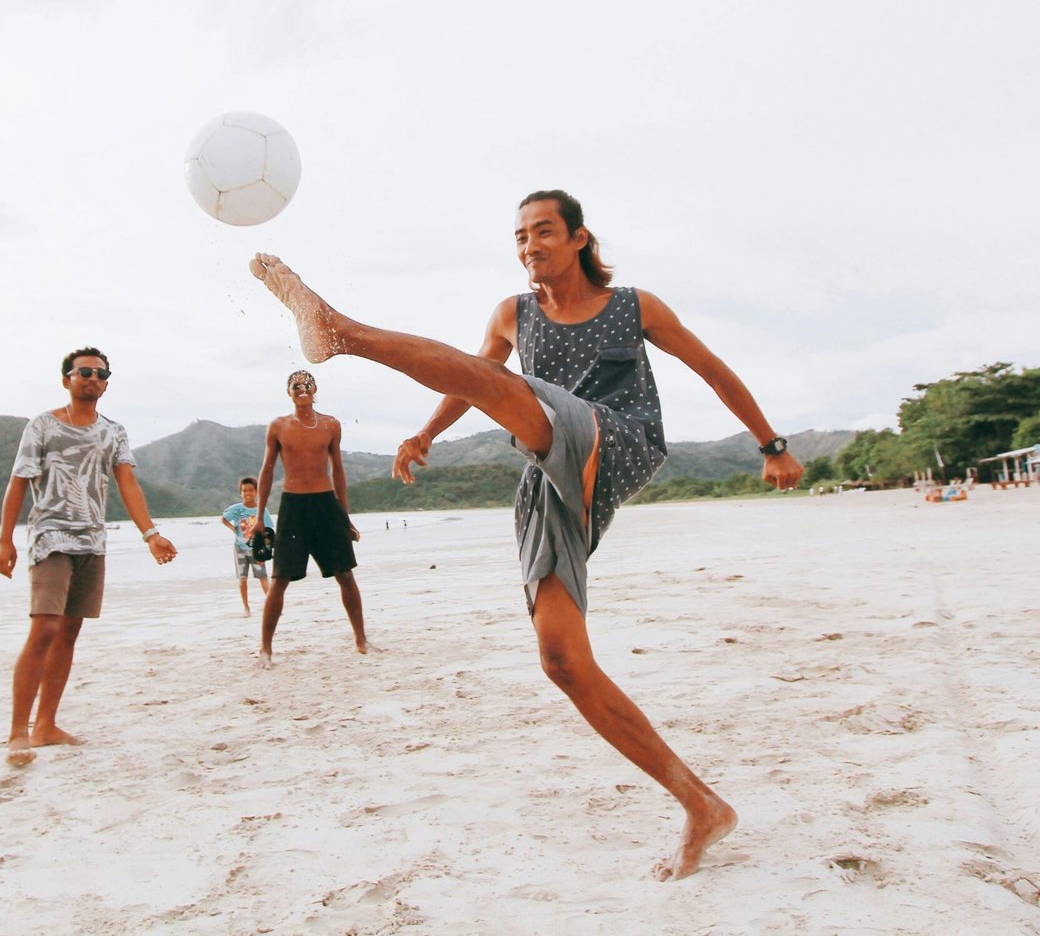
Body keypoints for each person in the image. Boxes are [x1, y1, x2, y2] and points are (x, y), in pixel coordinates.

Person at [248, 189, 804, 882]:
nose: (529, 245)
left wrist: (771, 443)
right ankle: (700, 804)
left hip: (617, 437)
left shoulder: (637, 306)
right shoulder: (515, 314)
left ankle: (340, 331)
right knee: (562, 660)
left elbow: (712, 370)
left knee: (526, 401)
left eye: (543, 231)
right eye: (519, 236)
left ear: (579, 238)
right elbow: (476, 380)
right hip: (549, 471)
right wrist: (425, 432)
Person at [0, 347, 178, 767]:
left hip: (92, 542)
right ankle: (17, 732)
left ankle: (46, 726)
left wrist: (150, 534)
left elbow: (127, 484)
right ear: (67, 379)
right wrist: (5, 540)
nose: (93, 378)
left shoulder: (113, 431)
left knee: (69, 633)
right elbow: (19, 482)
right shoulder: (42, 425)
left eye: (101, 373)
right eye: (84, 372)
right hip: (51, 538)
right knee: (44, 628)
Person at [253, 370, 372, 668]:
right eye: (295, 385)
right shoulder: (278, 427)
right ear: (288, 392)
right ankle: (265, 650)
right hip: (293, 506)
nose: (301, 389)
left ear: (315, 388)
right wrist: (258, 517)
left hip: (325, 503)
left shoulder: (331, 425)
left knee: (345, 573)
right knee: (280, 579)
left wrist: (345, 515)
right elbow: (266, 472)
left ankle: (361, 639)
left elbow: (339, 470)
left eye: (306, 384)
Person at [220, 477, 273, 616]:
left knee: (263, 577)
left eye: (251, 490)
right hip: (240, 548)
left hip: (257, 549)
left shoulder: (261, 510)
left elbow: (268, 531)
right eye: (244, 490)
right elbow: (223, 519)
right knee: (242, 579)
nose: (247, 493)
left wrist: (267, 551)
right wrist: (233, 529)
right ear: (240, 493)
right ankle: (246, 608)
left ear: (257, 492)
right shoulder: (237, 509)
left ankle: (271, 606)